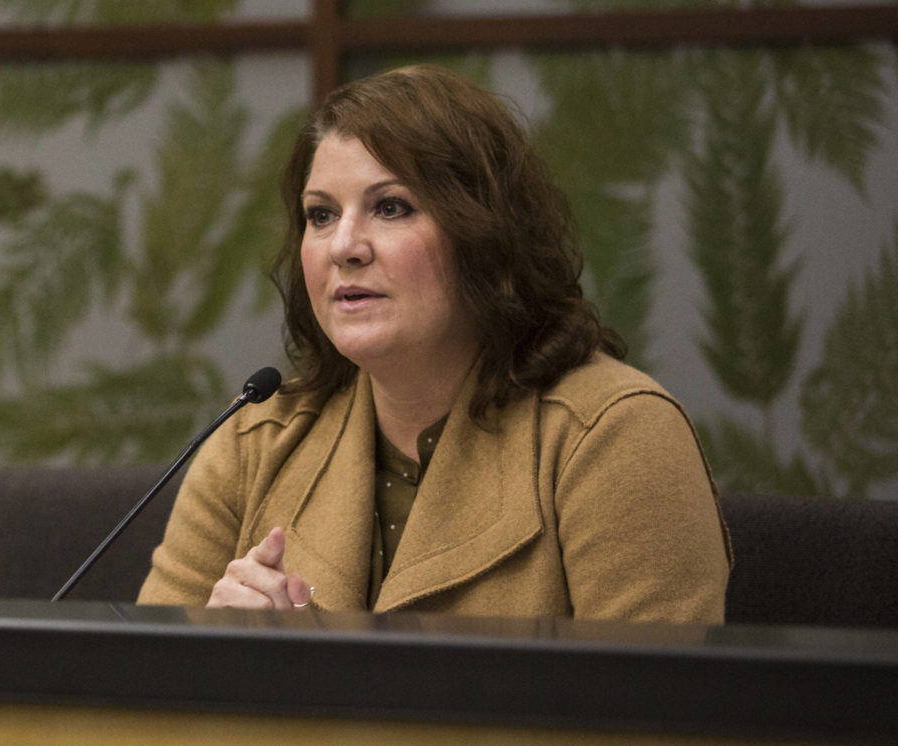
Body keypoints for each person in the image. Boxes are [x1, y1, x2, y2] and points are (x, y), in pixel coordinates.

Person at [138, 64, 731, 623]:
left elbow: (650, 723)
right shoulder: (254, 442)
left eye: (390, 208)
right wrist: (210, 655)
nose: (344, 245)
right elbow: (138, 704)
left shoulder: (609, 436)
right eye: (321, 215)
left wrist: (314, 683)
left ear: (485, 234)